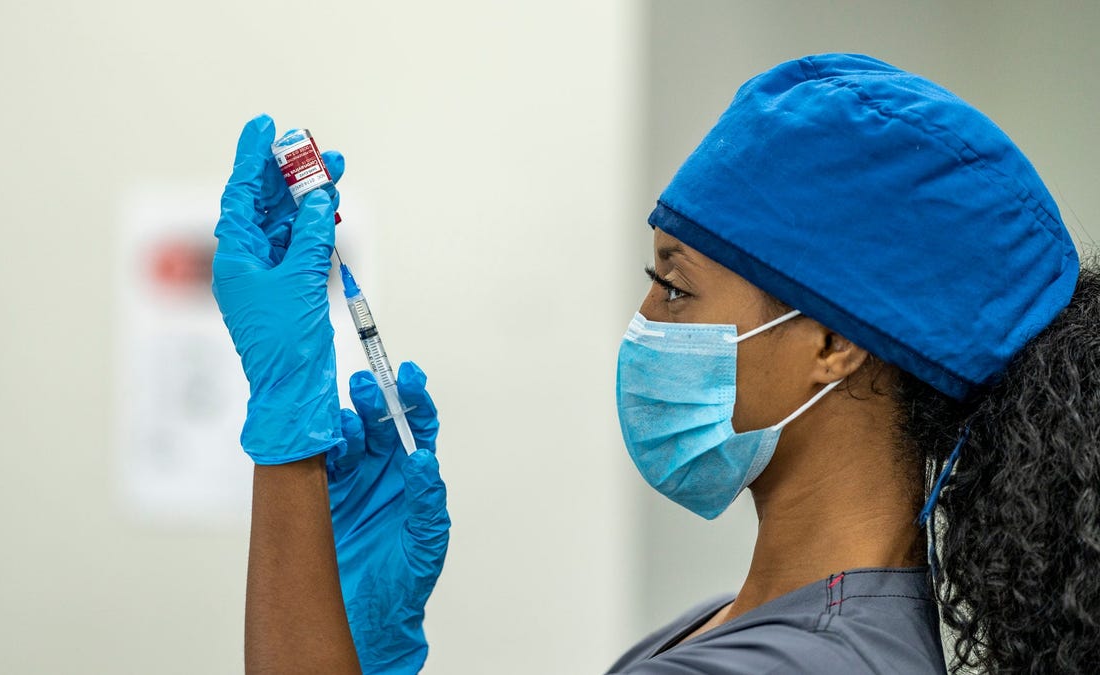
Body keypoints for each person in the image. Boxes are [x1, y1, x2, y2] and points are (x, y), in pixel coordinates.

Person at [212, 53, 1099, 674]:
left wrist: (290, 433)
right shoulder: (755, 628)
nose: (643, 322)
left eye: (673, 289)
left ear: (835, 342)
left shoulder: (796, 662)